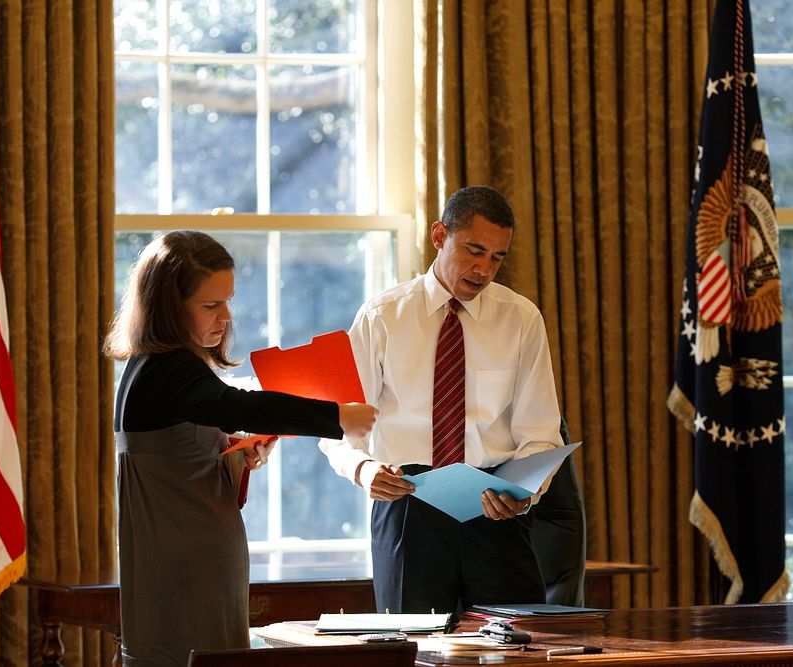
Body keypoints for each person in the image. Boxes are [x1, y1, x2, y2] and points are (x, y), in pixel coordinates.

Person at [104, 230, 377, 665]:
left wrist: (235, 450)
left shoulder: (161, 366)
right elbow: (238, 407)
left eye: (228, 301)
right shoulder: (167, 369)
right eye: (211, 305)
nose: (226, 316)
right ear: (168, 308)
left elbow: (185, 441)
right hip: (185, 561)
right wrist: (336, 417)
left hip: (192, 549)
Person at [319, 185, 565, 614]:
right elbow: (336, 424)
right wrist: (363, 469)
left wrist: (525, 493)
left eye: (497, 257)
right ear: (439, 236)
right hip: (406, 504)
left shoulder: (521, 319)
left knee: (513, 651)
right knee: (411, 649)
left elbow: (541, 434)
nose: (484, 269)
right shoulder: (382, 316)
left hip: (494, 508)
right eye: (473, 250)